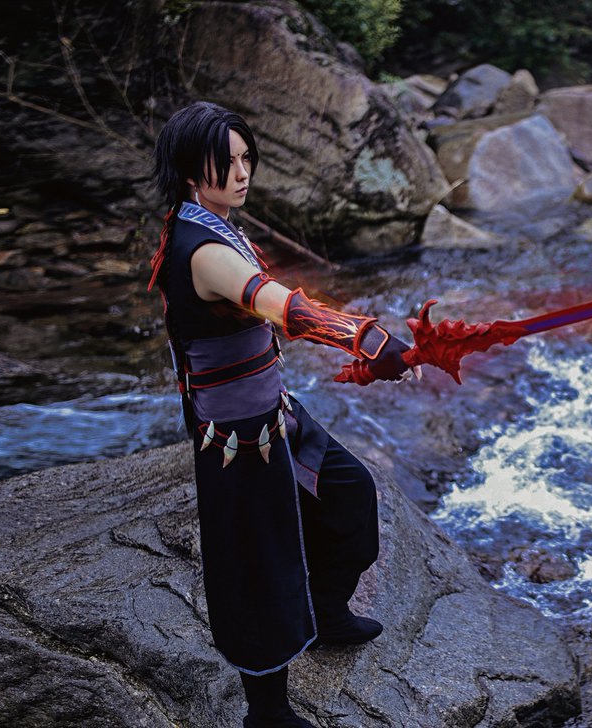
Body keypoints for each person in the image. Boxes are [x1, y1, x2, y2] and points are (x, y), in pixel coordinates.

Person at [148, 101, 414, 728]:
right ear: (190, 170)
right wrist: (367, 339)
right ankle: (266, 713)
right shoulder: (202, 248)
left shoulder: (214, 223)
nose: (242, 173)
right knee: (257, 563)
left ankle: (326, 612)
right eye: (227, 162)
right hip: (235, 438)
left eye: (247, 158)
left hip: (274, 413)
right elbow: (283, 308)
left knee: (349, 493)